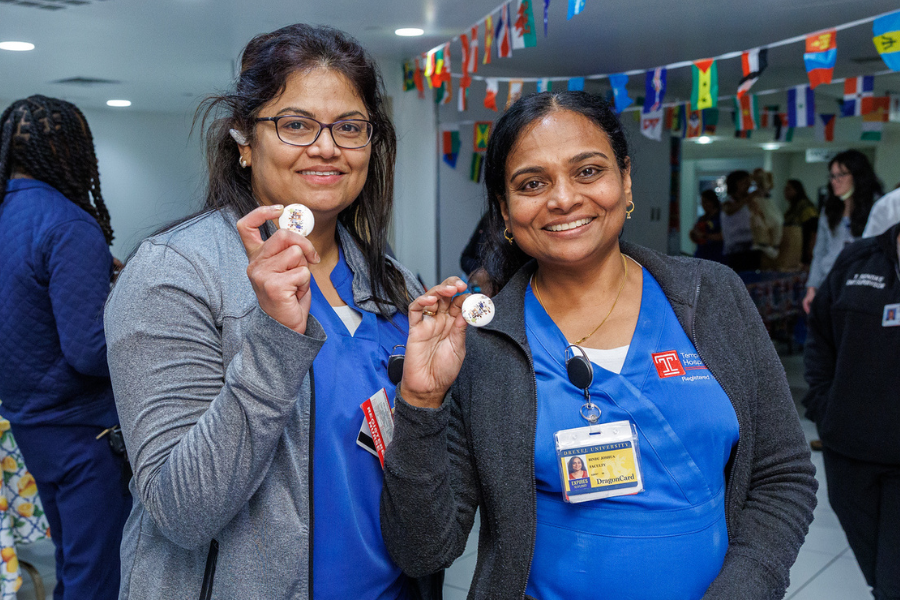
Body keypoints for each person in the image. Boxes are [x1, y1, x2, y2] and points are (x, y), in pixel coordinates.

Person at [382, 91, 817, 599]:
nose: (564, 198)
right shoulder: (481, 346)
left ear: (625, 178)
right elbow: (423, 551)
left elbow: (783, 475)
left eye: (587, 171)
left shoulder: (711, 296)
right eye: (532, 183)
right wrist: (421, 403)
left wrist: (744, 590)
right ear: (504, 210)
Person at [104, 25, 435, 599]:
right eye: (296, 124)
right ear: (243, 141)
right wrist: (276, 340)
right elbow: (182, 512)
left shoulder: (393, 283)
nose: (327, 146)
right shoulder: (174, 273)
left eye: (350, 128)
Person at [0, 96, 131, 599]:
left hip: (30, 425)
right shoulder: (70, 224)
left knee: (71, 563)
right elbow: (90, 352)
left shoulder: (10, 214)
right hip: (83, 431)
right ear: (71, 152)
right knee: (97, 576)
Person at [803, 221, 900, 600]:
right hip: (848, 450)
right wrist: (824, 405)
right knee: (878, 575)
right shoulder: (859, 258)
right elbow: (820, 335)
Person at [802, 150, 882, 313]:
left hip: (863, 285)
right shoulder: (830, 209)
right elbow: (820, 251)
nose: (835, 181)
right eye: (832, 176)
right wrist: (812, 287)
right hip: (830, 282)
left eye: (841, 175)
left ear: (857, 176)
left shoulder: (878, 208)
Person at [720, 170, 760, 271]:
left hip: (751, 249)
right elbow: (730, 210)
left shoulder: (749, 202)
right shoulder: (727, 201)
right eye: (745, 182)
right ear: (736, 183)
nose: (748, 185)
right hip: (734, 252)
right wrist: (748, 198)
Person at [782, 179, 819, 269]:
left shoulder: (805, 206)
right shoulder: (792, 208)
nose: (785, 191)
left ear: (797, 190)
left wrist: (811, 249)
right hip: (791, 249)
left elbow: (814, 228)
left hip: (803, 249)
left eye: (788, 189)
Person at [689, 189, 724, 263]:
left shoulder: (721, 217)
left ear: (712, 201)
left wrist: (705, 236)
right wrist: (694, 234)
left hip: (717, 255)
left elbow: (723, 235)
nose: (703, 205)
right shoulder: (702, 218)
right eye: (702, 202)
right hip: (702, 255)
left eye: (705, 202)